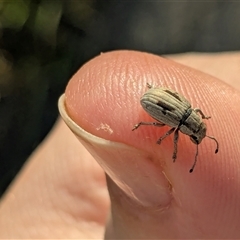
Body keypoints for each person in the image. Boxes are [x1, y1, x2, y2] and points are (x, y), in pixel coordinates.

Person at [0, 50, 239, 238]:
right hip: (152, 101)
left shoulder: (187, 112)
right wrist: (173, 150)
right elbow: (168, 127)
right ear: (194, 121)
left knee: (163, 133)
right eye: (197, 131)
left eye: (196, 134)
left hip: (156, 95)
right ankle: (141, 126)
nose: (196, 135)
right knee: (161, 133)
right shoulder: (180, 119)